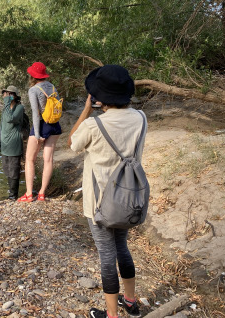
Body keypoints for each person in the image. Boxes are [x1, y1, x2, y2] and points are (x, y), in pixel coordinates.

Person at [68, 64, 146, 318]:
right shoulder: (141, 118)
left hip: (99, 203)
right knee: (122, 247)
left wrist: (87, 109)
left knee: (106, 255)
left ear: (100, 97)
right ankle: (131, 301)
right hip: (128, 198)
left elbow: (72, 143)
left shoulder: (93, 125)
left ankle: (111, 314)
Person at [18, 62, 62, 202]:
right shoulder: (52, 86)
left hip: (42, 126)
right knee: (48, 159)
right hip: (55, 125)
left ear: (32, 75)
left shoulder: (34, 90)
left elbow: (36, 114)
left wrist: (37, 134)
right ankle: (42, 193)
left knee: (30, 159)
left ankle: (29, 194)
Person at [0, 85, 24, 200]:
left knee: (14, 170)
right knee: (7, 170)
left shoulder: (19, 108)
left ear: (15, 96)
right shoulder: (5, 109)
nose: (8, 96)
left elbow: (10, 119)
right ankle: (10, 193)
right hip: (5, 144)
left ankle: (13, 195)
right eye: (6, 93)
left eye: (11, 94)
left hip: (14, 144)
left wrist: (6, 103)